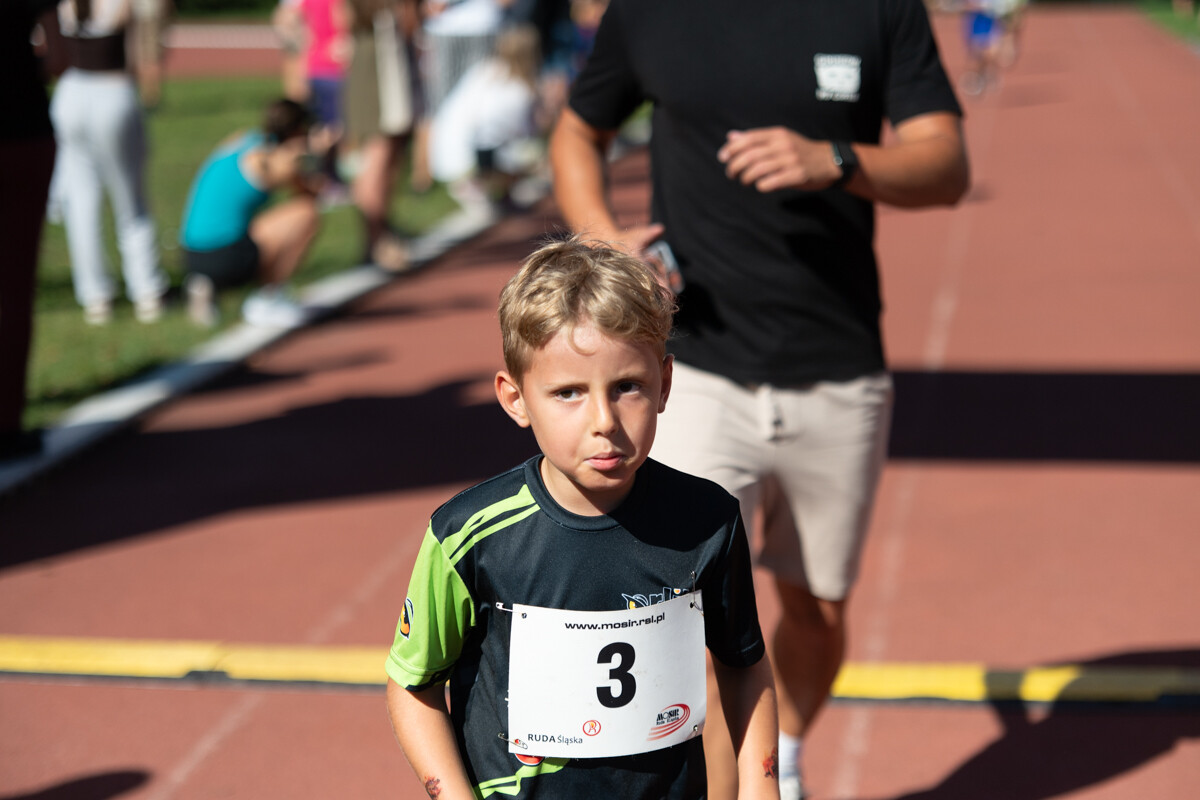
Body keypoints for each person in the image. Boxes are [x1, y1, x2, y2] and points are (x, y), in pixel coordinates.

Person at [549, 2, 970, 799]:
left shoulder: (880, 10)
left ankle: (788, 752)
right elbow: (577, 130)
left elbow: (946, 165)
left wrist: (835, 158)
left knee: (817, 611)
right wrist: (600, 236)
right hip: (695, 372)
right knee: (689, 622)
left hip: (836, 369)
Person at [384, 237, 780, 800]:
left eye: (627, 388)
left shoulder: (708, 520)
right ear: (516, 398)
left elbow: (744, 663)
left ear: (665, 384)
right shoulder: (467, 536)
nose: (604, 420)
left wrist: (762, 787)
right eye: (568, 392)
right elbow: (414, 684)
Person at [49, 0, 168, 326]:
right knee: (131, 201)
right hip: (113, 92)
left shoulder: (66, 5)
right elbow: (138, 55)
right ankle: (146, 291)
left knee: (81, 202)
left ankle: (95, 297)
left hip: (70, 95)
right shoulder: (123, 4)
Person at [178, 99, 333, 328]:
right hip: (226, 256)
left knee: (244, 221)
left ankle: (205, 283)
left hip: (191, 252)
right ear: (298, 132)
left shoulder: (243, 139)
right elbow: (311, 195)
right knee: (306, 214)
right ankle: (267, 299)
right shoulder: (275, 162)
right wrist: (318, 155)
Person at [0, 0, 62, 461]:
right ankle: (6, 423)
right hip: (22, 128)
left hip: (24, 131)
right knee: (14, 288)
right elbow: (58, 57)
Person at [428, 23, 543, 212]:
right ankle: (481, 185)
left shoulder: (485, 70)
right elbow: (519, 133)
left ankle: (484, 185)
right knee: (529, 150)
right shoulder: (517, 89)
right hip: (471, 153)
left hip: (448, 147)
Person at [342, 0, 422, 271]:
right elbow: (410, 24)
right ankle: (377, 239)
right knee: (379, 155)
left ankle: (378, 233)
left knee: (381, 155)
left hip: (371, 59)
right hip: (381, 66)